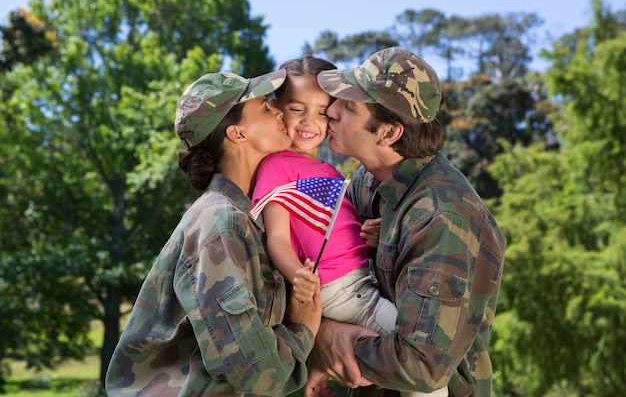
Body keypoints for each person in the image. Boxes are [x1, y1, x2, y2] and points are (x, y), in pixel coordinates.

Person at [105, 70, 322, 397]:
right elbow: (255, 374)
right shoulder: (220, 223)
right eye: (265, 107)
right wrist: (303, 329)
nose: (279, 110)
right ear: (237, 133)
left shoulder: (251, 218)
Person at [304, 47, 507, 397]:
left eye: (350, 106)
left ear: (388, 134)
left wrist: (324, 340)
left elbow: (422, 366)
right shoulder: (369, 181)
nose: (331, 110)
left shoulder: (440, 217)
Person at [252, 56, 447, 397]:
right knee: (423, 366)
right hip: (342, 290)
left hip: (357, 283)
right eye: (297, 109)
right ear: (276, 108)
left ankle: (319, 365)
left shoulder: (325, 169)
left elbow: (332, 229)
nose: (311, 121)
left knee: (404, 363)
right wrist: (297, 274)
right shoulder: (277, 167)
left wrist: (369, 233)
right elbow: (279, 238)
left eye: (323, 110)